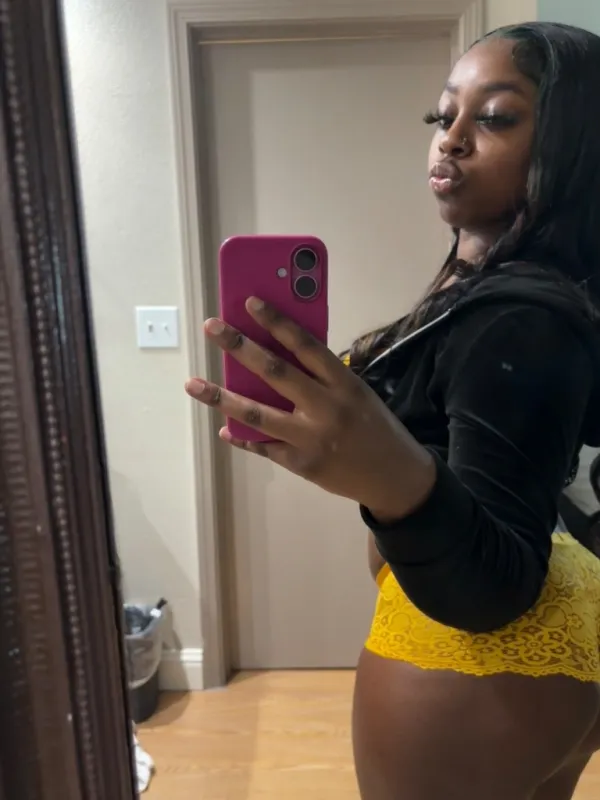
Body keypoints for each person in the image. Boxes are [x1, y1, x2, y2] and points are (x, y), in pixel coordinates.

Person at [186, 21, 600, 800]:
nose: (451, 139)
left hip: (472, 662)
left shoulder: (519, 319)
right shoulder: (498, 297)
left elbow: (493, 587)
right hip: (546, 643)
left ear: (574, 144)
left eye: (495, 117)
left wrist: (392, 477)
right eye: (443, 115)